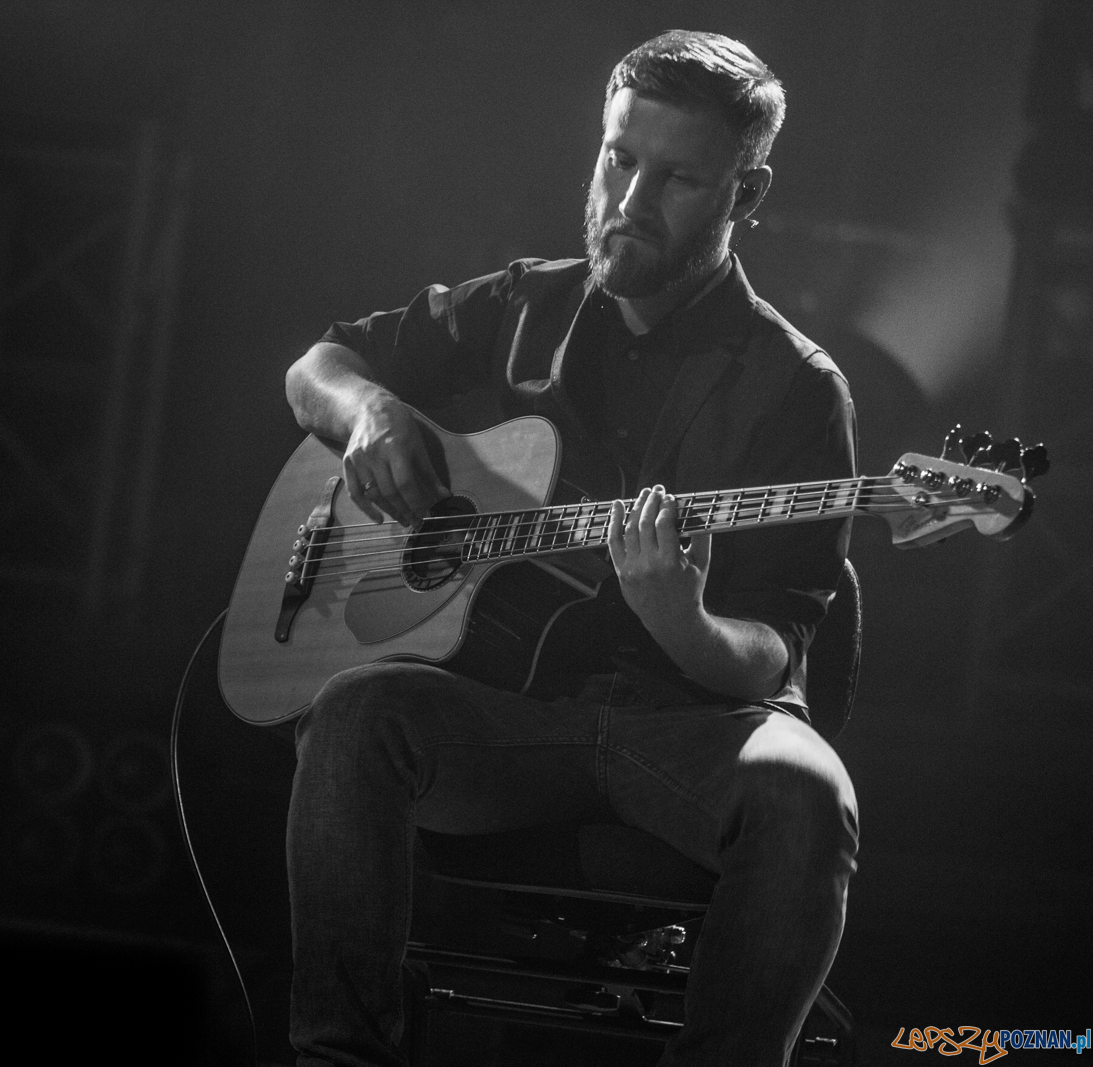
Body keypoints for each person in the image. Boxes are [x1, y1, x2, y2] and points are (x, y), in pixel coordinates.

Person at [281, 30, 859, 1067]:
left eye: (678, 177)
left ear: (748, 189)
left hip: (687, 728)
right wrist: (369, 413)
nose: (630, 201)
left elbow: (774, 650)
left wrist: (682, 618)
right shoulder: (521, 307)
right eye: (616, 158)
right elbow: (318, 364)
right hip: (510, 714)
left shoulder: (795, 389)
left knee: (805, 791)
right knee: (352, 715)